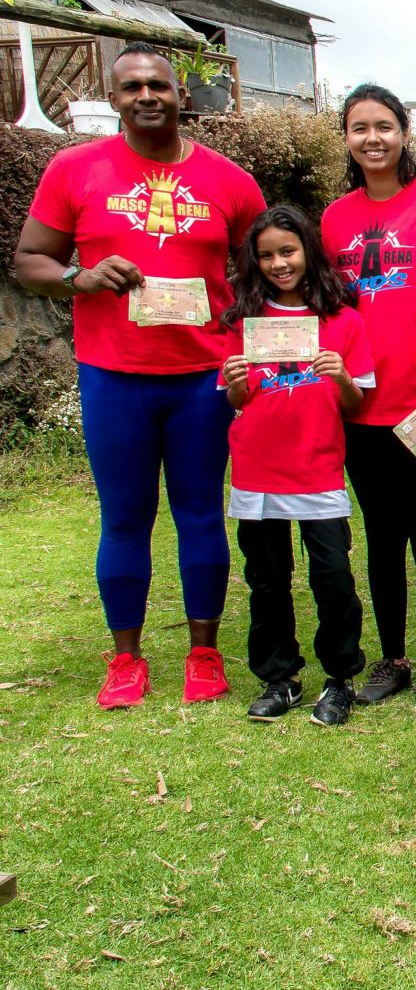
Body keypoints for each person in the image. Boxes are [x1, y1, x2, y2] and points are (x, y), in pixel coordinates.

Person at [12, 42, 265, 708]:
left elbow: (265, 272)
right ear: (113, 98)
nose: (147, 96)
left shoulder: (231, 182)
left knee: (200, 512)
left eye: (159, 85)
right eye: (132, 87)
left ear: (181, 94)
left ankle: (204, 652)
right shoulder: (74, 170)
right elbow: (30, 261)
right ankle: (126, 658)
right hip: (114, 377)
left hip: (202, 379)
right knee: (124, 517)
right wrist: (80, 276)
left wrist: (251, 347)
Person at [320, 85, 416, 711]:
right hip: (360, 406)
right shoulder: (334, 219)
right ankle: (392, 658)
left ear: (404, 132)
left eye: (383, 126)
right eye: (359, 128)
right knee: (381, 537)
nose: (373, 139)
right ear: (347, 138)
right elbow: (329, 313)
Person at [219, 205, 375, 727]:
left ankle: (340, 678)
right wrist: (236, 382)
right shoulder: (244, 321)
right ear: (254, 261)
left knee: (333, 578)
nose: (279, 264)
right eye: (266, 256)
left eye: (288, 251)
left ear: (308, 251)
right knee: (267, 580)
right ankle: (279, 678)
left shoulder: (343, 321)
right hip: (257, 470)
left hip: (318, 469)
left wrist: (341, 377)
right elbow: (238, 401)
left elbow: (354, 403)